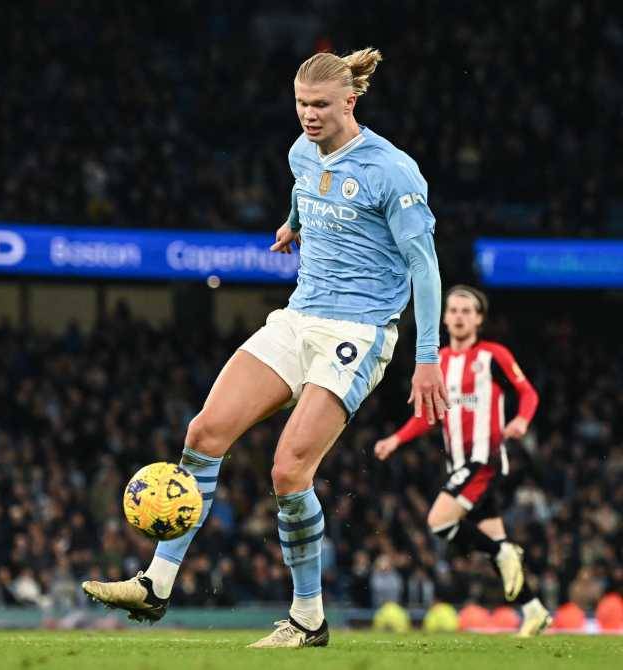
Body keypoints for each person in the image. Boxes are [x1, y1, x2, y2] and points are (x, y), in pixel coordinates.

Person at [83, 47, 449, 649]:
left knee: (287, 470)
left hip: (356, 331)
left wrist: (428, 357)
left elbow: (426, 269)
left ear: (350, 102)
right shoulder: (300, 150)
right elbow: (307, 189)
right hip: (298, 316)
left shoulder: (394, 171)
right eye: (302, 104)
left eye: (322, 105)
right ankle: (157, 582)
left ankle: (308, 618)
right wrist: (292, 222)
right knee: (203, 433)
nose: (309, 115)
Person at [373, 285, 551, 636]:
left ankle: (504, 552)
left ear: (479, 319)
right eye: (453, 310)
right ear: (444, 317)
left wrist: (521, 421)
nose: (458, 316)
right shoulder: (438, 363)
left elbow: (528, 392)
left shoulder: (493, 355)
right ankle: (534, 611)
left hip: (484, 459)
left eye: (466, 311)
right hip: (459, 464)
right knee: (492, 541)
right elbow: (430, 416)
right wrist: (396, 438)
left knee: (439, 521)